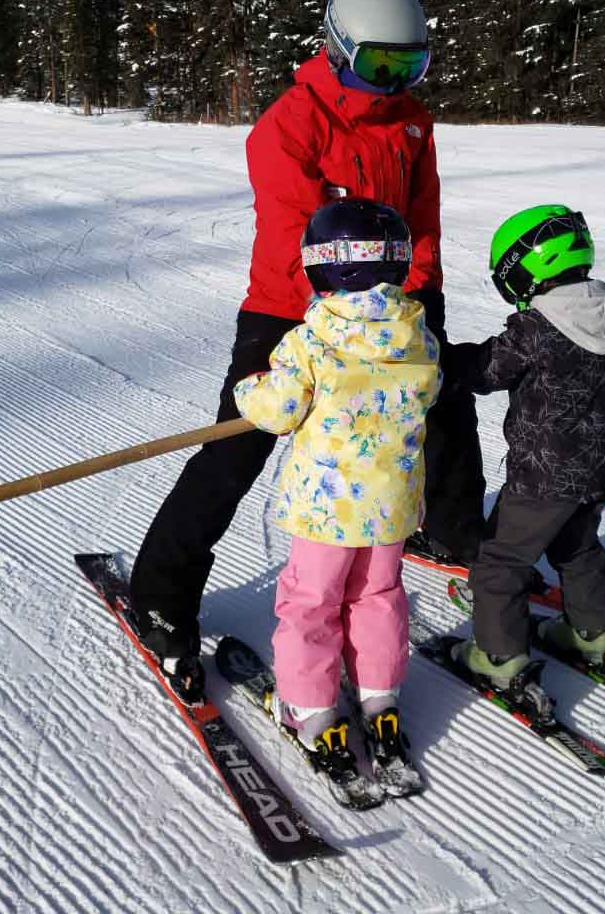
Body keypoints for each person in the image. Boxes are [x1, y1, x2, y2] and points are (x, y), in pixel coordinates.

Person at [127, 0, 486, 665]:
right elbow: (297, 234)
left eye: (410, 66)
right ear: (340, 49)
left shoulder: (412, 121)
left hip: (396, 301)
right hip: (295, 308)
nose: (395, 82)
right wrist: (343, 320)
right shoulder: (289, 126)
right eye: (381, 64)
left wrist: (416, 296)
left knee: (444, 410)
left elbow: (424, 215)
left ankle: (453, 533)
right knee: (241, 441)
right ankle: (161, 592)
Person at [233, 198, 437, 789]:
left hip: (327, 508)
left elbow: (277, 410)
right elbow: (433, 387)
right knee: (377, 594)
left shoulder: (312, 342)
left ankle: (310, 708)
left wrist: (249, 389)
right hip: (392, 504)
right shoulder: (417, 334)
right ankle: (379, 696)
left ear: (323, 267)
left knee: (312, 602)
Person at [444, 205, 605, 709]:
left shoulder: (537, 327)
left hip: (544, 477)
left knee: (500, 561)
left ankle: (499, 657)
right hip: (604, 467)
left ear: (524, 267)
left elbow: (487, 370)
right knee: (578, 547)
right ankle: (595, 634)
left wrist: (445, 360)